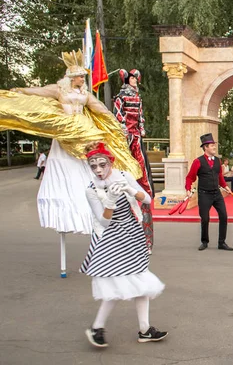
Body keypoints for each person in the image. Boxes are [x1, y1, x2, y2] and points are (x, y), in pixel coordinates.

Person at [0, 50, 140, 276]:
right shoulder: (59, 89)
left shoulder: (84, 93)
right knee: (71, 164)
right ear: (70, 77)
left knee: (93, 156)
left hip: (81, 131)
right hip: (66, 132)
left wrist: (114, 122)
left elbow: (99, 108)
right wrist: (22, 90)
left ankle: (94, 203)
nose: (82, 80)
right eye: (79, 76)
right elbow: (40, 92)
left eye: (82, 77)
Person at [81, 142, 167, 348]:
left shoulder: (124, 176)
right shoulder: (91, 190)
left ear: (110, 162)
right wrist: (109, 201)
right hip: (110, 240)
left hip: (132, 235)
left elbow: (146, 198)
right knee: (115, 285)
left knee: (141, 282)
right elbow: (104, 222)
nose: (98, 170)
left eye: (102, 164)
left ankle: (145, 330)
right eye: (93, 166)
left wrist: (129, 188)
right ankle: (97, 328)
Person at [113, 69, 155, 253]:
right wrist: (122, 126)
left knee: (140, 160)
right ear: (127, 80)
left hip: (136, 134)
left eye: (136, 78)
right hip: (125, 134)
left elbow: (141, 114)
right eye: (132, 78)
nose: (134, 81)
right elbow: (118, 113)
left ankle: (143, 182)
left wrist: (142, 127)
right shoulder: (120, 97)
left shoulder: (138, 98)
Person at [185, 133, 233, 251]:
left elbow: (219, 176)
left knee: (224, 216)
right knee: (205, 218)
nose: (214, 147)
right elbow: (190, 177)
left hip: (216, 193)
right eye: (212, 145)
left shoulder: (218, 160)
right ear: (205, 147)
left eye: (214, 145)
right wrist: (188, 189)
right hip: (204, 194)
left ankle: (222, 242)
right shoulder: (198, 161)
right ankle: (204, 241)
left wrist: (225, 186)